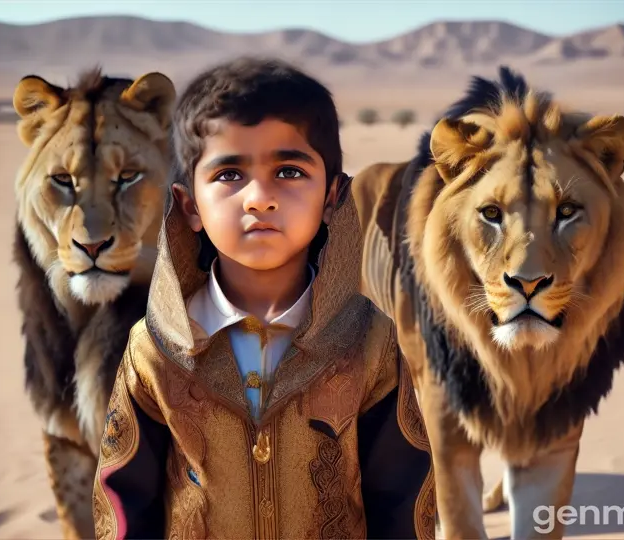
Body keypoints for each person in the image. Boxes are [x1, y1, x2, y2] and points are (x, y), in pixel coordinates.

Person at [92, 56, 435, 540]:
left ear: (332, 197)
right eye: (229, 174)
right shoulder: (154, 350)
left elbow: (403, 501)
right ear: (190, 205)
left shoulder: (368, 340)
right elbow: (124, 503)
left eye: (290, 172)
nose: (259, 197)